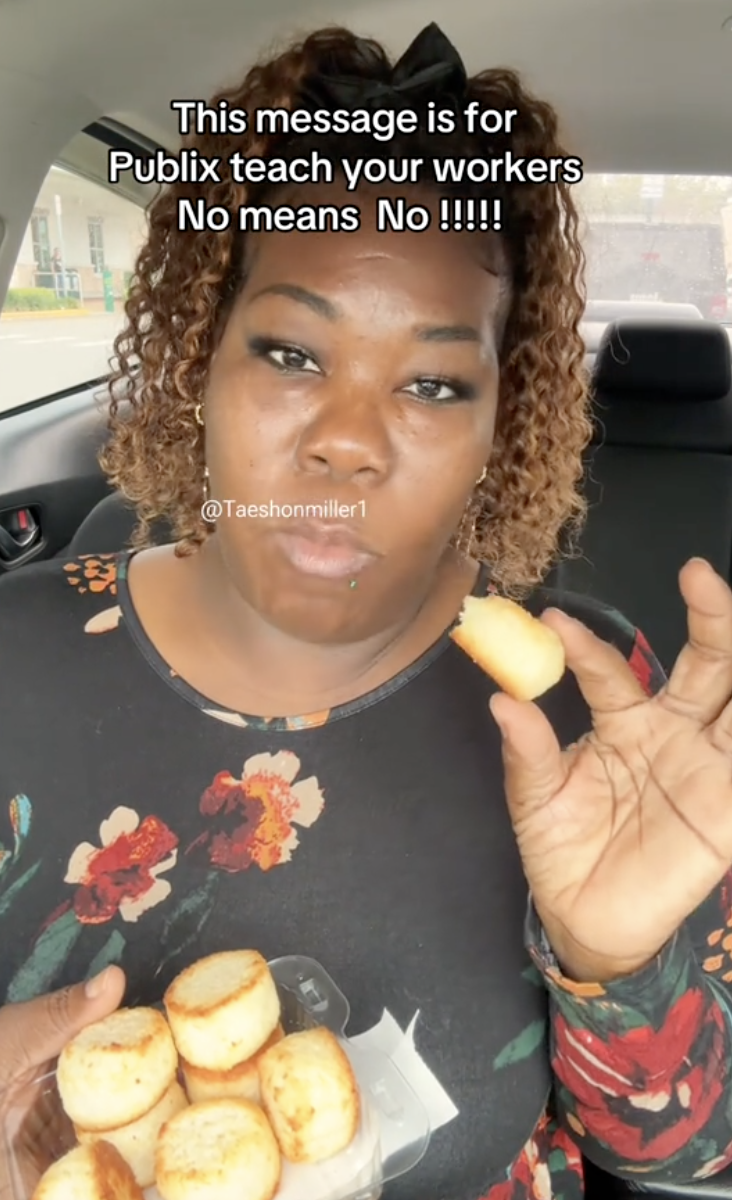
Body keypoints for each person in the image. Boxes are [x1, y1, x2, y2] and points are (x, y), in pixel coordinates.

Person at [2, 22, 732, 1200]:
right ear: (200, 366)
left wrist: (618, 962)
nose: (346, 442)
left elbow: (687, 1153)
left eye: (436, 382)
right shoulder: (10, 659)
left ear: (504, 426)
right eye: (291, 354)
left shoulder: (582, 697)